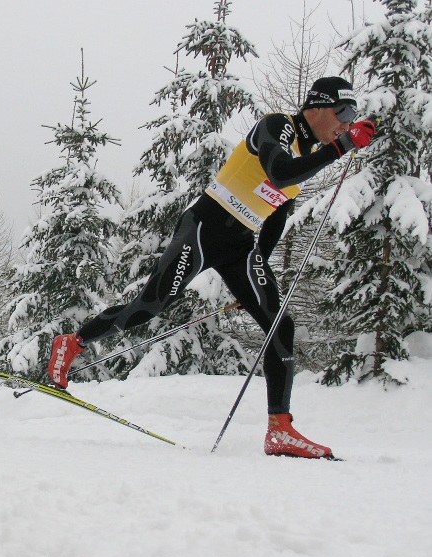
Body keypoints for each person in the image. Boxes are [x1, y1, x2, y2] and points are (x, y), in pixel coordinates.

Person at [48, 76, 377, 458]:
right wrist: (343, 146)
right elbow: (280, 173)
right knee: (151, 305)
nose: (345, 123)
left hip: (241, 245)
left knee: (279, 323)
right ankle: (72, 343)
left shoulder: (308, 152)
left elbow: (277, 213)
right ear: (317, 107)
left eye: (350, 117)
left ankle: (280, 429)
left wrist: (259, 274)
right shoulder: (278, 126)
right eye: (343, 113)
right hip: (204, 228)